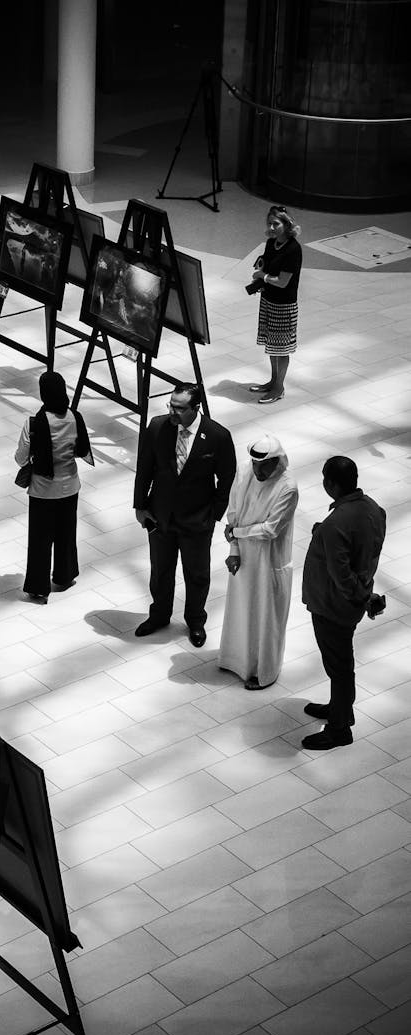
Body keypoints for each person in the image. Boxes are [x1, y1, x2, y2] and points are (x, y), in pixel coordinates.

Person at [133, 381, 236, 645]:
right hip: (161, 517)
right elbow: (144, 468)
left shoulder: (217, 436)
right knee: (160, 571)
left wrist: (213, 515)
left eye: (179, 408)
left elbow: (226, 479)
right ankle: (159, 615)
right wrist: (140, 506)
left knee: (197, 574)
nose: (172, 412)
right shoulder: (158, 427)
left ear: (196, 408)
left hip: (196, 521)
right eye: (171, 405)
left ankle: (195, 621)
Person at [301, 456, 386, 750]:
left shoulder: (335, 524)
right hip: (351, 600)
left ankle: (339, 728)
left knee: (339, 667)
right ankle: (339, 708)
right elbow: (364, 550)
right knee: (339, 665)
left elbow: (342, 575)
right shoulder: (374, 509)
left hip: (332, 606)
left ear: (331, 484)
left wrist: (363, 599)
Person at [219, 434, 299, 689]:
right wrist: (234, 548)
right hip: (243, 557)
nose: (258, 470)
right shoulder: (245, 472)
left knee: (266, 619)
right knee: (240, 611)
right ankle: (236, 661)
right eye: (255, 464)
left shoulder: (288, 487)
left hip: (269, 562)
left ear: (276, 462)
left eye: (263, 466)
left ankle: (263, 672)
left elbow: (270, 530)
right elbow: (234, 513)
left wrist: (237, 535)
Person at [15, 371, 94, 603]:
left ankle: (39, 586)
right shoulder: (75, 417)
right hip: (70, 486)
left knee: (40, 539)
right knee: (66, 533)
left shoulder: (34, 423)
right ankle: (64, 574)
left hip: (42, 491)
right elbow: (82, 449)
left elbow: (21, 458)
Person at [248, 205, 302, 404]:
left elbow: (283, 281)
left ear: (287, 224)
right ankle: (273, 380)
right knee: (272, 345)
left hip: (284, 305)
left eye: (276, 224)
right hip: (268, 300)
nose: (271, 227)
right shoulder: (271, 243)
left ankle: (279, 387)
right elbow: (268, 263)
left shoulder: (293, 249)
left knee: (281, 349)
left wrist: (262, 275)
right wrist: (261, 268)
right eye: (269, 223)